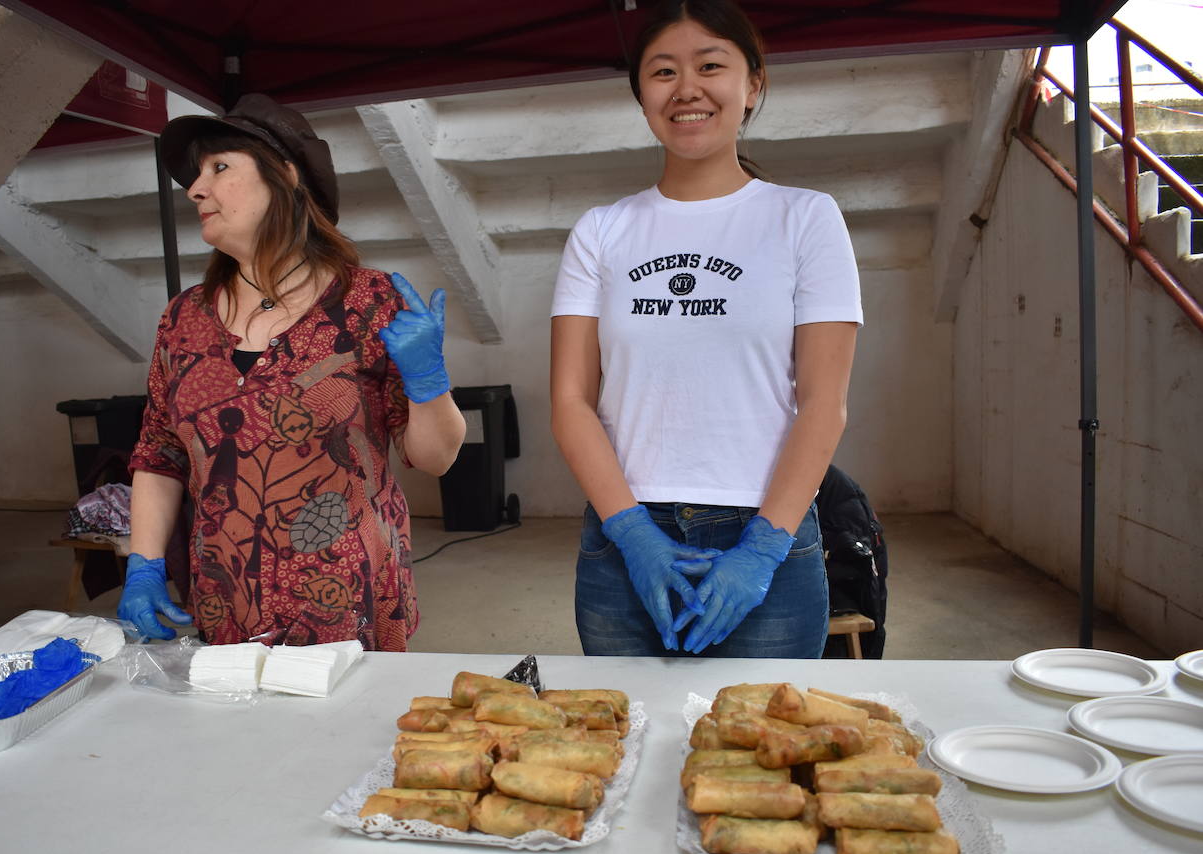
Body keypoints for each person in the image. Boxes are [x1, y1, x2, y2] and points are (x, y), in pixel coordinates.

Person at [550, 0, 862, 657]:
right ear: (641, 96)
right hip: (624, 531)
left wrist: (764, 548)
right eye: (662, 72)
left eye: (711, 66)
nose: (686, 88)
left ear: (751, 86)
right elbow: (571, 401)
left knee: (764, 754)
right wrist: (631, 535)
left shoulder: (804, 218)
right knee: (627, 748)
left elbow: (824, 404)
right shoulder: (601, 232)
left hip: (764, 531)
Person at [117, 94, 465, 649]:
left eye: (219, 167)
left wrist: (429, 382)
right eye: (195, 175)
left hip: (348, 607)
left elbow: (434, 457)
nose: (196, 188)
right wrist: (144, 564)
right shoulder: (183, 319)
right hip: (222, 605)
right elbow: (160, 452)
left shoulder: (368, 301)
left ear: (284, 174)